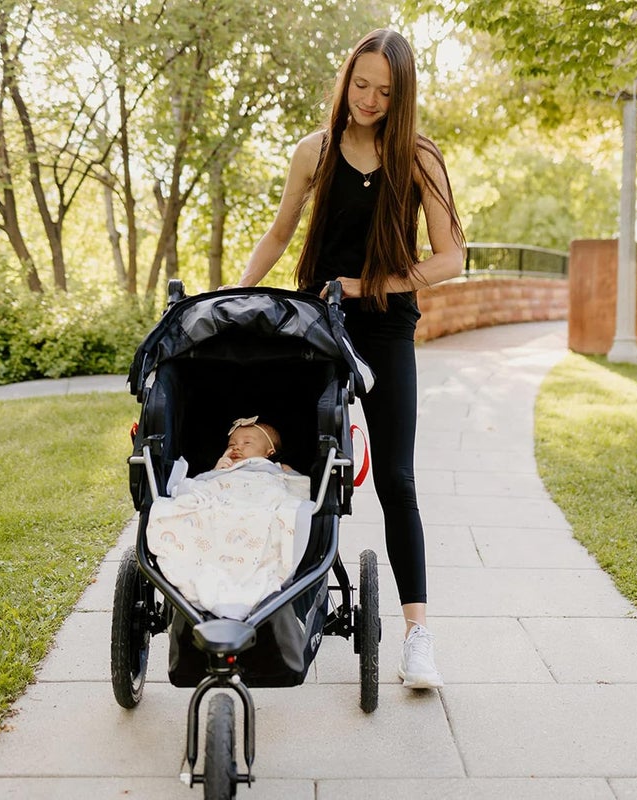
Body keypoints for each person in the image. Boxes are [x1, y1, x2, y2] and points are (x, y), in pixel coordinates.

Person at [223, 29, 465, 689]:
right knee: (283, 453)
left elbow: (450, 259)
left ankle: (419, 636)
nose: (369, 99)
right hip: (316, 323)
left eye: (386, 91)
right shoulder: (314, 152)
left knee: (397, 479)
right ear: (346, 79)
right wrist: (236, 300)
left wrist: (370, 284)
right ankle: (260, 602)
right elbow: (279, 233)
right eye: (361, 84)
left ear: (402, 95)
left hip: (386, 327)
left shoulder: (419, 157)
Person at [214, 416, 291, 472]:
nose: (236, 447)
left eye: (247, 443)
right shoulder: (225, 468)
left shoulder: (277, 468)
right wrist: (216, 471)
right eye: (231, 444)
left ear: (270, 453)